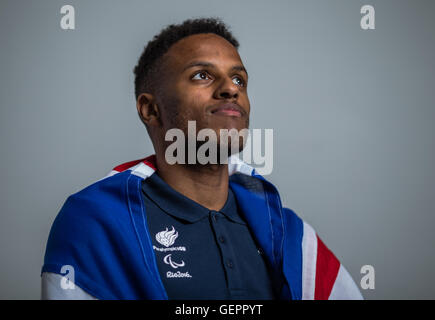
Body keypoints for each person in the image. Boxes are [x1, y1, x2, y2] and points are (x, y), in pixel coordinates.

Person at [41, 17, 363, 300]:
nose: (230, 89)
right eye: (201, 76)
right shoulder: (95, 224)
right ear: (151, 109)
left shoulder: (289, 232)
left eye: (239, 79)